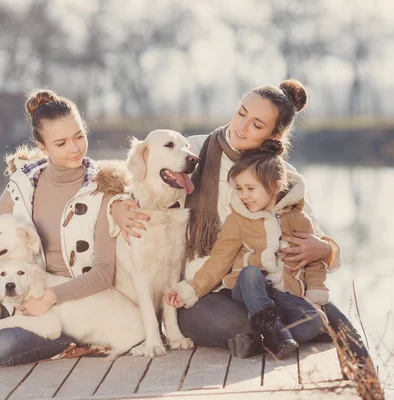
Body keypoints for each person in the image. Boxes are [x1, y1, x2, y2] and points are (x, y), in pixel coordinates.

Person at [110, 79, 371, 370]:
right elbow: (137, 170)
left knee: (321, 320)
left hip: (266, 283)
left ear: (274, 135)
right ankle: (275, 331)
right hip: (203, 288)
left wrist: (324, 248)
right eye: (242, 112)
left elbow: (312, 230)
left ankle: (340, 355)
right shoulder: (196, 150)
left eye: (257, 125)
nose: (242, 126)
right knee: (230, 323)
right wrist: (117, 203)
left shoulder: (279, 176)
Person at [0, 89, 119, 365]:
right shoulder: (25, 181)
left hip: (70, 303)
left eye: (79, 136)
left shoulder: (102, 187)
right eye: (61, 143)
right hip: (17, 292)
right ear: (43, 147)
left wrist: (49, 298)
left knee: (1, 348)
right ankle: (10, 324)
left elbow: (104, 272)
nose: (75, 148)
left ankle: (73, 340)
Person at [170, 139, 329, 359]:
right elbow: (219, 261)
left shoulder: (299, 220)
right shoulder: (238, 220)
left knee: (317, 320)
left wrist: (315, 294)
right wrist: (190, 290)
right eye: (239, 189)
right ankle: (271, 329)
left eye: (250, 189)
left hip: (283, 295)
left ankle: (266, 340)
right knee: (251, 273)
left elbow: (314, 265)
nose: (244, 195)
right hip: (246, 291)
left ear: (275, 185)